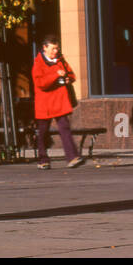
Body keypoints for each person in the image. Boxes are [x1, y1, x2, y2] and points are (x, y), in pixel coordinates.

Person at [31, 35, 85, 170]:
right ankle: (43, 159)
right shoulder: (38, 63)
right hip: (45, 103)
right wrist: (56, 74)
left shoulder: (60, 60)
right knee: (43, 131)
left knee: (65, 128)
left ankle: (72, 157)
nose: (55, 51)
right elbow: (40, 83)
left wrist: (68, 79)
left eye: (57, 48)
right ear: (45, 48)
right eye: (53, 48)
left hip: (59, 101)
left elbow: (71, 74)